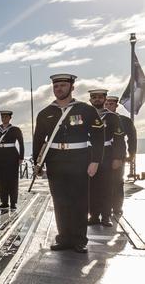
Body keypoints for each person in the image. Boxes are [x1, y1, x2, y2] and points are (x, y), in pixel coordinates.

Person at [33, 74, 104, 254]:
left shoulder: (86, 110)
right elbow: (38, 140)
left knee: (79, 200)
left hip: (80, 159)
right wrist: (38, 163)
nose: (59, 89)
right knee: (60, 200)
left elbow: (98, 137)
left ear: (72, 87)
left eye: (63, 85)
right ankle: (64, 238)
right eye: (56, 86)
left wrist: (95, 161)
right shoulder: (45, 113)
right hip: (55, 160)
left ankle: (79, 240)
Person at [88, 89, 124, 227]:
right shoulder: (86, 115)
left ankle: (106, 216)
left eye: (100, 97)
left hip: (107, 153)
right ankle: (94, 216)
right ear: (90, 100)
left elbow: (119, 138)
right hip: (89, 153)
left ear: (104, 99)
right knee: (91, 187)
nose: (97, 99)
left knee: (107, 186)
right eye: (94, 97)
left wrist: (117, 157)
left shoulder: (112, 117)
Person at [105, 95, 137, 216]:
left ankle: (117, 207)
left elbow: (132, 138)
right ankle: (103, 208)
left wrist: (132, 154)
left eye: (111, 104)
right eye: (106, 104)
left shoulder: (124, 120)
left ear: (116, 106)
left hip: (118, 155)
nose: (108, 106)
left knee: (117, 182)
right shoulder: (98, 118)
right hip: (102, 155)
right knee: (101, 183)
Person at [0, 111, 24, 210]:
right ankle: (4, 202)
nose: (4, 118)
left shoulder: (15, 130)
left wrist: (21, 157)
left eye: (6, 116)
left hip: (12, 155)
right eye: (2, 116)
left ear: (10, 118)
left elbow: (21, 144)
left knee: (13, 180)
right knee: (1, 179)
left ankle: (13, 202)